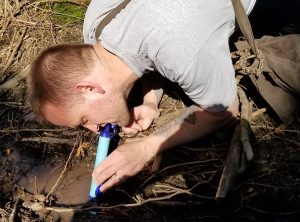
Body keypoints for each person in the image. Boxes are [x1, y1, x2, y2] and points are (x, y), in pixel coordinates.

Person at [27, 0, 256, 193]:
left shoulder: (180, 48)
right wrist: (150, 100)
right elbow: (141, 52)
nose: (95, 130)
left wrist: (146, 148)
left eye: (85, 120)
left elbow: (224, 109)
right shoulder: (95, 26)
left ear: (90, 88)